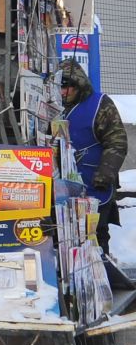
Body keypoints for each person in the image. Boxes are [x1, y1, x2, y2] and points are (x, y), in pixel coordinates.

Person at [60, 58, 126, 252]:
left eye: (67, 87)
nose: (63, 92)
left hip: (96, 187)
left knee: (96, 238)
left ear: (78, 84)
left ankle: (102, 275)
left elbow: (117, 141)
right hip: (64, 191)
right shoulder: (56, 106)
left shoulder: (100, 104)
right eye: (60, 87)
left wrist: (104, 175)